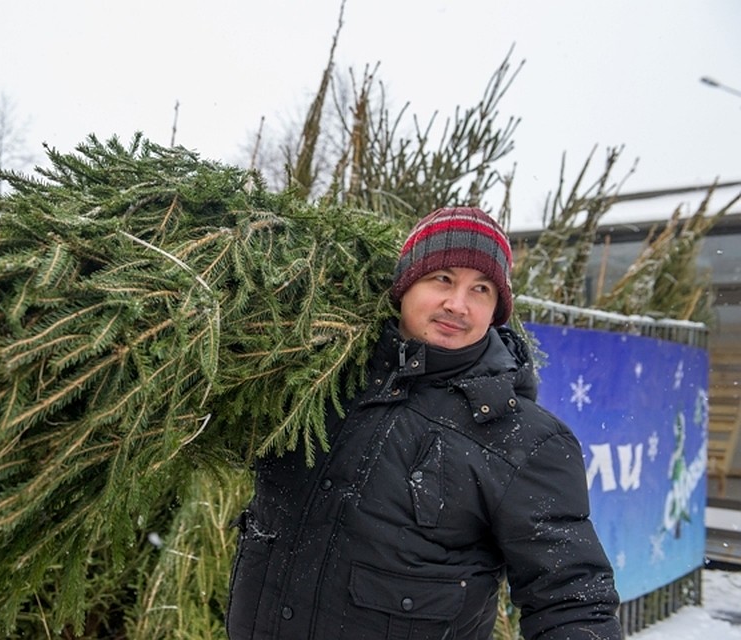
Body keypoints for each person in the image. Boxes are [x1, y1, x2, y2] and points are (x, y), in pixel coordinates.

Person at [226, 207, 622, 640]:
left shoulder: (525, 440)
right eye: (444, 279)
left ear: (495, 311)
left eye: (481, 289)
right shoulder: (317, 378)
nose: (458, 304)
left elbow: (571, 599)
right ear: (405, 284)